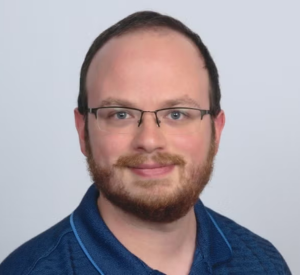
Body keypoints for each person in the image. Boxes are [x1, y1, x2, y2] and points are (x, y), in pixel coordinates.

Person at [0, 11, 291, 275]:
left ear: (216, 131)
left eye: (177, 114)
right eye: (120, 114)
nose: (149, 141)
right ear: (82, 131)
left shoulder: (264, 264)